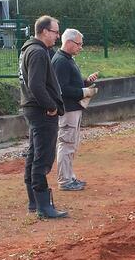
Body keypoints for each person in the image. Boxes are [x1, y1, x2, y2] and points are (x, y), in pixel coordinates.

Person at [20, 15, 68, 218]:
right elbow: (36, 85)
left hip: (32, 108)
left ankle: (35, 201)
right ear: (44, 31)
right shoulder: (38, 52)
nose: (57, 36)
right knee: (43, 156)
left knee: (34, 154)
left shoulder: (28, 49)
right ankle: (43, 206)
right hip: (41, 110)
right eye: (55, 31)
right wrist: (51, 106)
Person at [52, 28, 99, 191]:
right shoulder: (61, 61)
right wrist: (83, 92)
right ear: (69, 42)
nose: (81, 47)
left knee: (71, 144)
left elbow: (70, 83)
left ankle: (69, 177)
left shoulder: (66, 59)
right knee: (66, 144)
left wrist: (85, 82)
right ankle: (65, 180)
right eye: (79, 44)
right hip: (68, 109)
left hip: (73, 108)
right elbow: (62, 89)